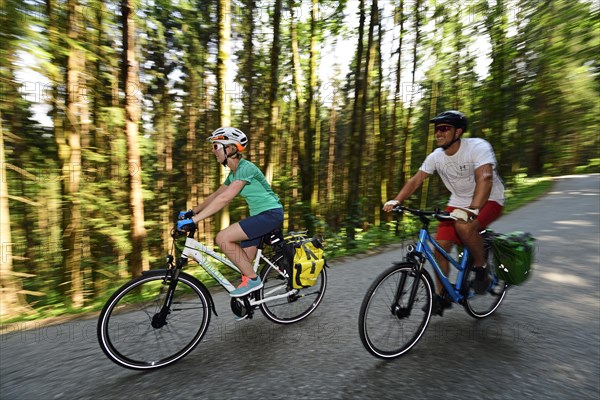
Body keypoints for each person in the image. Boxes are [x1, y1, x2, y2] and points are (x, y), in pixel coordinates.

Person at [382, 110, 505, 316]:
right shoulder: (436, 157)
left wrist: (473, 209)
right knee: (440, 248)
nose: (438, 133)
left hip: (489, 199)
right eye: (436, 129)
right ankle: (442, 295)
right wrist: (397, 199)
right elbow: (417, 179)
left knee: (464, 226)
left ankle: (481, 268)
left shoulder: (477, 147)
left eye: (444, 128)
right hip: (457, 201)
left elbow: (485, 178)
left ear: (458, 131)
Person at [177, 127, 284, 297]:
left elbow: (225, 198)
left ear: (231, 148)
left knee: (222, 237)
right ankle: (249, 301)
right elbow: (216, 195)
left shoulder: (246, 168)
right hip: (259, 216)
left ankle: (253, 281)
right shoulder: (234, 173)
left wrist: (195, 220)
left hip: (271, 214)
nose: (213, 151)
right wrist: (192, 212)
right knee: (244, 264)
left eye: (216, 146)